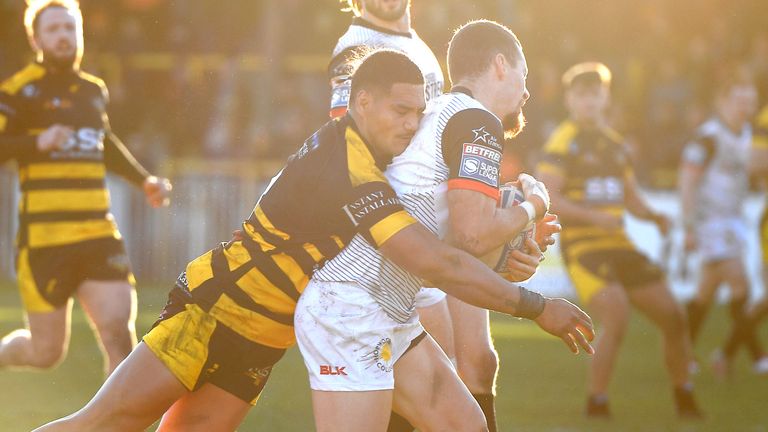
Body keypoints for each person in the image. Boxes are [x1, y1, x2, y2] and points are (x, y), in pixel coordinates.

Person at [34, 49, 593, 432]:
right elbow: (425, 256)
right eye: (399, 111)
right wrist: (534, 301)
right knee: (105, 424)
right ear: (362, 103)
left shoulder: (376, 157)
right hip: (215, 311)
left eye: (417, 113)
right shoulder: (348, 165)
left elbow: (446, 238)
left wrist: (509, 227)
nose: (410, 124)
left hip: (263, 336)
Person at [300, 21, 593, 432]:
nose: (526, 92)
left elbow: (455, 244)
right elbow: (472, 236)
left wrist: (512, 241)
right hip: (353, 305)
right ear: (499, 66)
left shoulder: (441, 112)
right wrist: (533, 206)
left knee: (464, 423)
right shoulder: (478, 121)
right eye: (524, 76)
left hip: (384, 302)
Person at [0, 0, 171, 376]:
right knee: (45, 352)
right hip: (45, 240)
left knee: (118, 336)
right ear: (36, 38)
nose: (63, 36)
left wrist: (144, 180)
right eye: (53, 29)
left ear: (79, 33)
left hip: (97, 233)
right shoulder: (17, 91)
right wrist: (35, 143)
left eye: (69, 28)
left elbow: (104, 142)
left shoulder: (94, 90)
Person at [536, 62, 701, 418]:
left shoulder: (615, 145)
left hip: (619, 244)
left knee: (673, 315)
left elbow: (630, 197)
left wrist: (654, 216)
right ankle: (597, 401)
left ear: (606, 97)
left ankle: (684, 396)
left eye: (596, 94)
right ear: (569, 100)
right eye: (582, 95)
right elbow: (547, 196)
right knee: (617, 313)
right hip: (583, 248)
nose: (590, 102)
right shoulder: (564, 141)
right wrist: (593, 216)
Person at [679, 71, 766, 378]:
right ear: (722, 102)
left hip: (733, 220)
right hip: (709, 222)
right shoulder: (708, 137)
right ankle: (754, 356)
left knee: (706, 292)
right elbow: (687, 182)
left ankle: (684, 353)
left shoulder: (748, 135)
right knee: (739, 282)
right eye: (738, 101)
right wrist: (689, 226)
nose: (744, 108)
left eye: (750, 102)